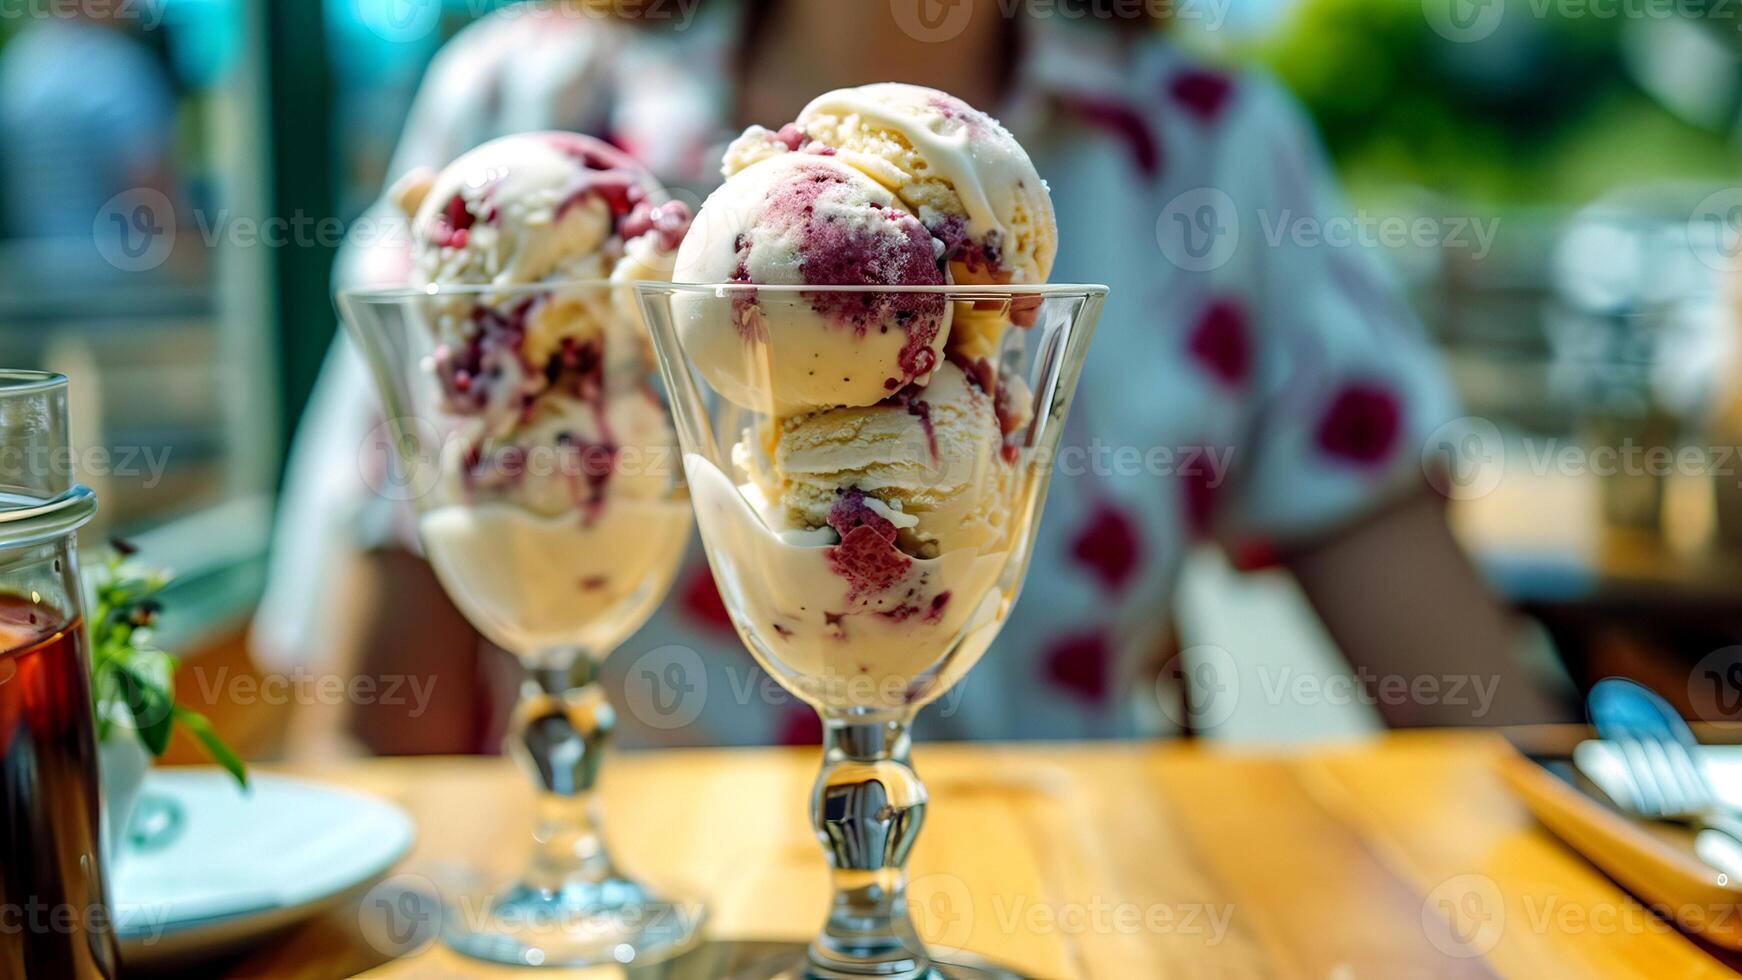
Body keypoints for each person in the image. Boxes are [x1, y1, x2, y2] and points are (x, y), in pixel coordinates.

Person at [254, 0, 1565, 755]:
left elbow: (1465, 711)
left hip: (1070, 911)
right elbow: (381, 736)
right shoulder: (526, 107)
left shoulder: (1211, 153)